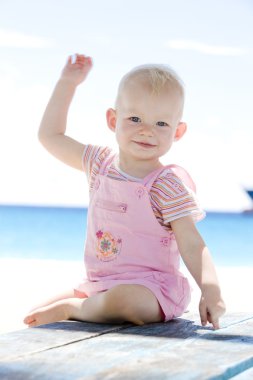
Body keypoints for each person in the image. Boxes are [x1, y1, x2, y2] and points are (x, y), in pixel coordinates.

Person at [24, 54, 226, 330]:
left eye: (161, 124)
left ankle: (75, 308)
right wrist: (67, 83)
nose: (146, 131)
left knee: (125, 301)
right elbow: (50, 136)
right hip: (98, 286)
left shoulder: (166, 184)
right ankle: (84, 306)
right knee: (35, 315)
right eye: (135, 118)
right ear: (112, 120)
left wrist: (210, 289)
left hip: (153, 290)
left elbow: (193, 244)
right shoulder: (99, 164)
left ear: (177, 132)